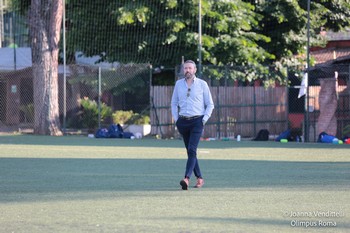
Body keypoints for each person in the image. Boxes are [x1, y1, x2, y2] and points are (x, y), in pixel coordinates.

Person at [171, 60, 214, 190]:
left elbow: (210, 104)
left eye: (190, 68)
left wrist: (204, 120)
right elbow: (173, 103)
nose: (187, 70)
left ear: (195, 70)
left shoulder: (202, 84)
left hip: (197, 121)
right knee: (191, 152)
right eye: (185, 68)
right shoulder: (178, 84)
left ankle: (186, 178)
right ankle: (200, 178)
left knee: (191, 150)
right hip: (183, 121)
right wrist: (176, 119)